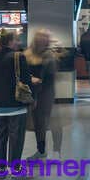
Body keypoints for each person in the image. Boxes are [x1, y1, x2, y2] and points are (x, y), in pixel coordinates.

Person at [0, 31, 34, 179]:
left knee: (0, 137)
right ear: (10, 41)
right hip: (16, 104)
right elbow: (26, 80)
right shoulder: (18, 57)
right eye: (16, 39)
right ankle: (15, 168)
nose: (19, 42)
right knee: (16, 138)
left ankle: (0, 167)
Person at [26, 30, 61, 158]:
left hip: (46, 93)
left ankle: (56, 151)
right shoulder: (28, 55)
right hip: (35, 93)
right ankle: (41, 150)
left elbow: (47, 78)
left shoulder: (49, 56)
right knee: (39, 123)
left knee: (53, 122)